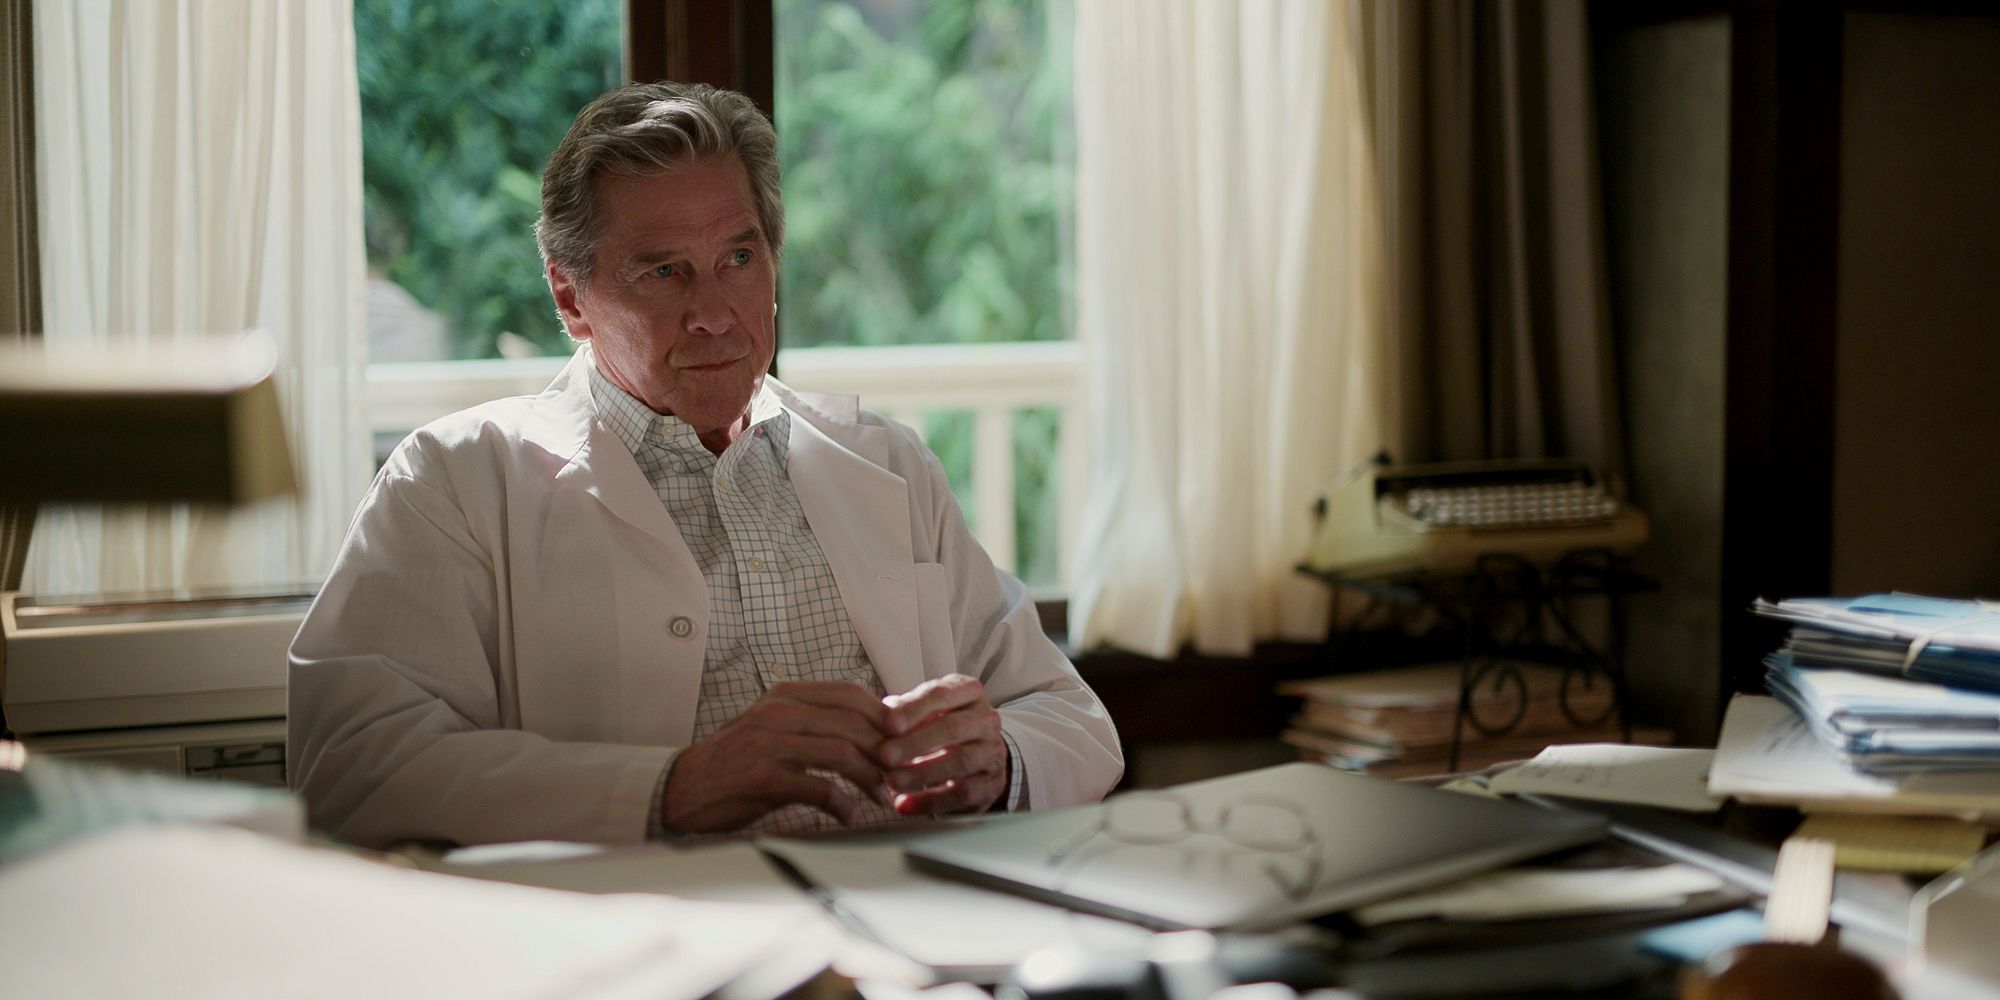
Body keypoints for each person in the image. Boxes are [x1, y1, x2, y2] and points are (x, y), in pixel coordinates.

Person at [287, 82, 1123, 849]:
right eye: (663, 272)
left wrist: (1001, 763)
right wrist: (672, 788)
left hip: (913, 925)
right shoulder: (452, 481)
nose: (716, 315)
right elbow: (353, 769)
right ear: (569, 298)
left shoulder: (885, 462)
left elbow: (1071, 719)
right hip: (649, 944)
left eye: (739, 258)